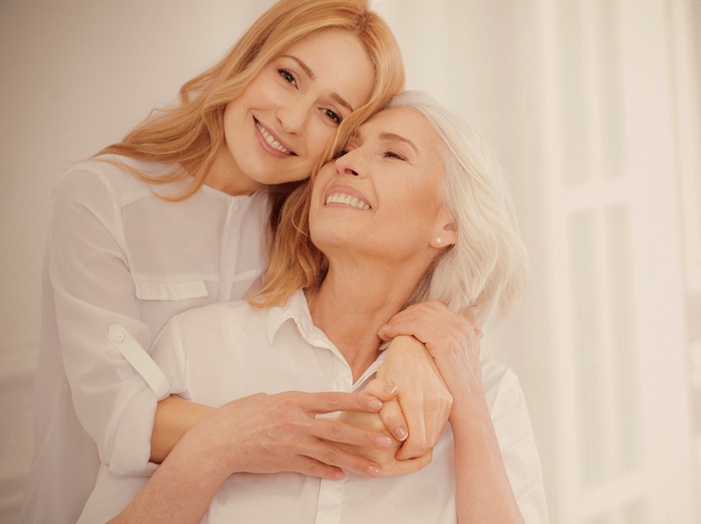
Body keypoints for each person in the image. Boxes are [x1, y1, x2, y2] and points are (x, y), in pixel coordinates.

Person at [23, 3, 466, 522]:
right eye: (287, 77)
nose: (292, 120)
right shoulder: (102, 199)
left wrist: (410, 346)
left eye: (331, 114)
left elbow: (399, 282)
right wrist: (284, 437)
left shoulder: (310, 225)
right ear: (249, 59)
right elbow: (120, 417)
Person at [89, 91, 549, 523]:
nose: (346, 163)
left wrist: (468, 406)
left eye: (392, 154)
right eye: (344, 150)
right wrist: (218, 446)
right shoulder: (200, 345)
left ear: (447, 224)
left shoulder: (489, 393)